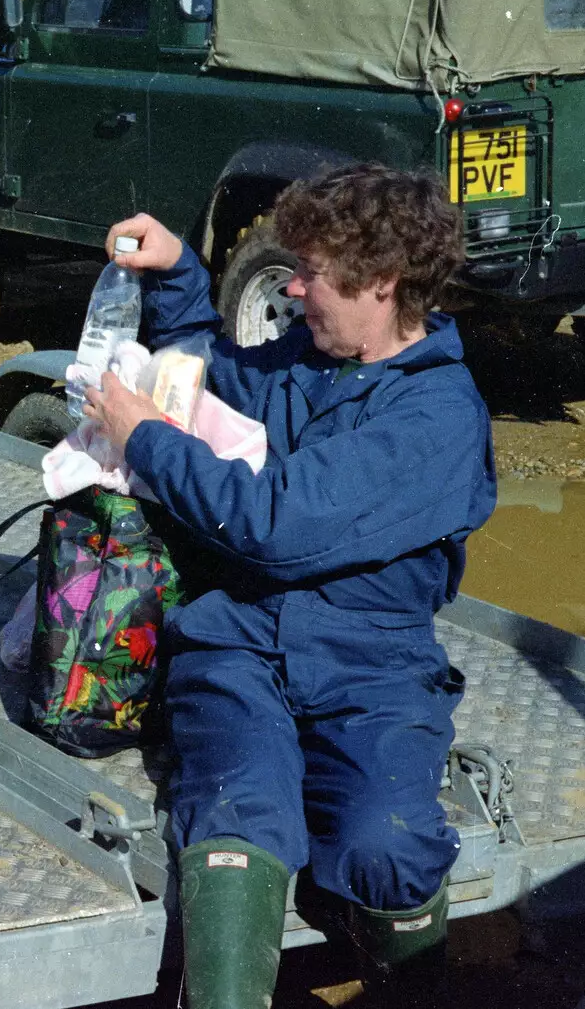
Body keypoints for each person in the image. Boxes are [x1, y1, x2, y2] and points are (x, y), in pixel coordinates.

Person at [81, 164, 495, 1008]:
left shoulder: (437, 418)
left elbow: (274, 526)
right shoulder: (311, 359)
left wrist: (149, 439)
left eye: (313, 274)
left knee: (389, 842)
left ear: (380, 285)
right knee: (233, 826)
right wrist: (175, 276)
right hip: (237, 648)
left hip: (373, 664)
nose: (295, 288)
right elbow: (214, 372)